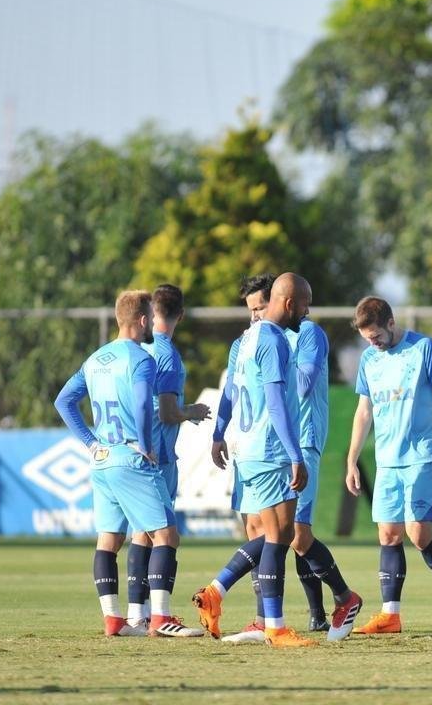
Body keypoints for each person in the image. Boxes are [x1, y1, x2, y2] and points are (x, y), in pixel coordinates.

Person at [54, 290, 204, 638]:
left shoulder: (95, 359)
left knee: (108, 540)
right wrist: (147, 445)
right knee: (166, 534)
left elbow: (63, 401)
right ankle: (160, 618)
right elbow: (140, 404)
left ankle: (114, 621)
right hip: (131, 458)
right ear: (141, 320)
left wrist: (91, 442)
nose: (152, 322)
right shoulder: (141, 359)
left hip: (102, 459)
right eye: (149, 317)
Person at [192, 273, 313, 647]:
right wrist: (296, 455)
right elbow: (276, 404)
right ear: (289, 303)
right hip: (270, 449)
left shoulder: (243, 340)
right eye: (305, 304)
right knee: (280, 536)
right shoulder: (274, 340)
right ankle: (272, 626)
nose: (307, 312)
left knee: (268, 535)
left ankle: (243, 607)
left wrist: (217, 435)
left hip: (245, 450)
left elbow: (228, 394)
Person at [346, 297, 432, 635]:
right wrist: (352, 459)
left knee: (418, 533)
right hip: (387, 460)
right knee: (388, 533)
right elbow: (364, 411)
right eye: (366, 338)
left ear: (390, 323)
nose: (373, 343)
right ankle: (390, 615)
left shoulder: (424, 349)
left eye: (376, 335)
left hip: (423, 455)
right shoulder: (369, 359)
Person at [124, 284, 212, 633]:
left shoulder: (132, 347)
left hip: (127, 453)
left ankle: (136, 613)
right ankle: (160, 617)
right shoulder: (167, 355)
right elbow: (167, 411)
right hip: (157, 457)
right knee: (165, 536)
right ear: (182, 314)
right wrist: (194, 410)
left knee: (140, 535)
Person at [284, 279, 363, 641]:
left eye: (259, 308)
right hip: (270, 447)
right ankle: (303, 615)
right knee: (275, 530)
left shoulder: (308, 334)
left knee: (297, 534)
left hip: (302, 442)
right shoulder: (258, 337)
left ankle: (346, 598)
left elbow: (300, 386)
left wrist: (269, 366)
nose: (255, 317)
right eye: (251, 310)